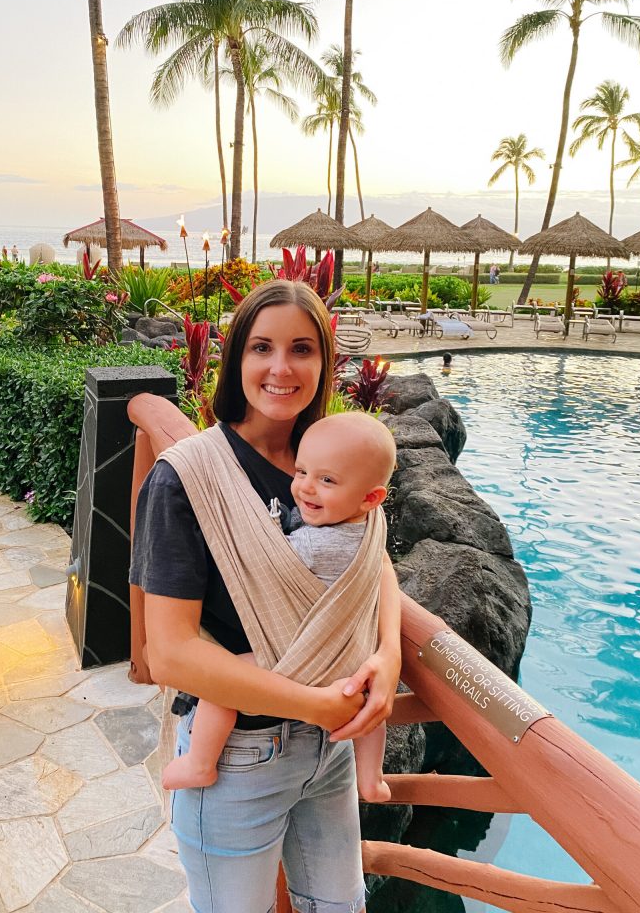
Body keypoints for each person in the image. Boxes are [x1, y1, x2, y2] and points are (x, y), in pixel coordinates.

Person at [131, 280, 401, 913]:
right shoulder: (188, 479)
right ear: (236, 359)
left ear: (324, 362)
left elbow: (374, 562)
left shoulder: (332, 461)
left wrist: (388, 656)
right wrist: (317, 704)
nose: (282, 367)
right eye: (262, 347)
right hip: (238, 758)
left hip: (331, 752)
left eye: (302, 349)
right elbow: (169, 653)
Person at [160, 411, 397, 805]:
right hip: (354, 663)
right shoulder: (368, 528)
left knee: (222, 685)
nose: (305, 488)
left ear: (371, 498)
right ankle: (371, 779)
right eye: (301, 472)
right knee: (373, 711)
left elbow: (271, 559)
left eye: (327, 480)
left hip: (301, 659)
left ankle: (200, 762)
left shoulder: (318, 545)